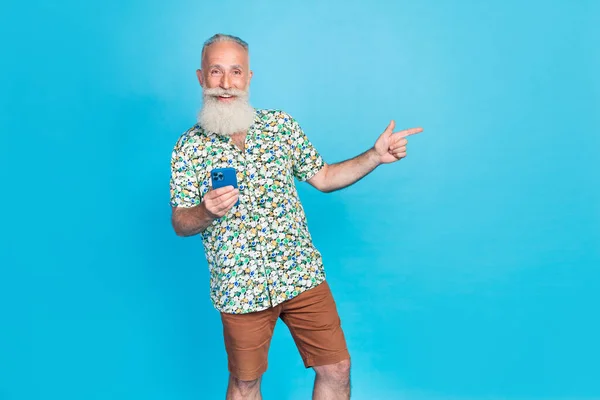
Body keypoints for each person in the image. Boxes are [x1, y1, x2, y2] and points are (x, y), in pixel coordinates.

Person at [169, 33, 423, 400]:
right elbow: (180, 222)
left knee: (337, 368)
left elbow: (324, 177)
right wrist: (206, 211)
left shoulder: (281, 127)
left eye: (236, 72)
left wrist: (374, 155)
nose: (226, 83)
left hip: (300, 273)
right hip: (241, 289)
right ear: (200, 77)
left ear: (249, 78)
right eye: (216, 72)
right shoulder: (188, 148)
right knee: (245, 384)